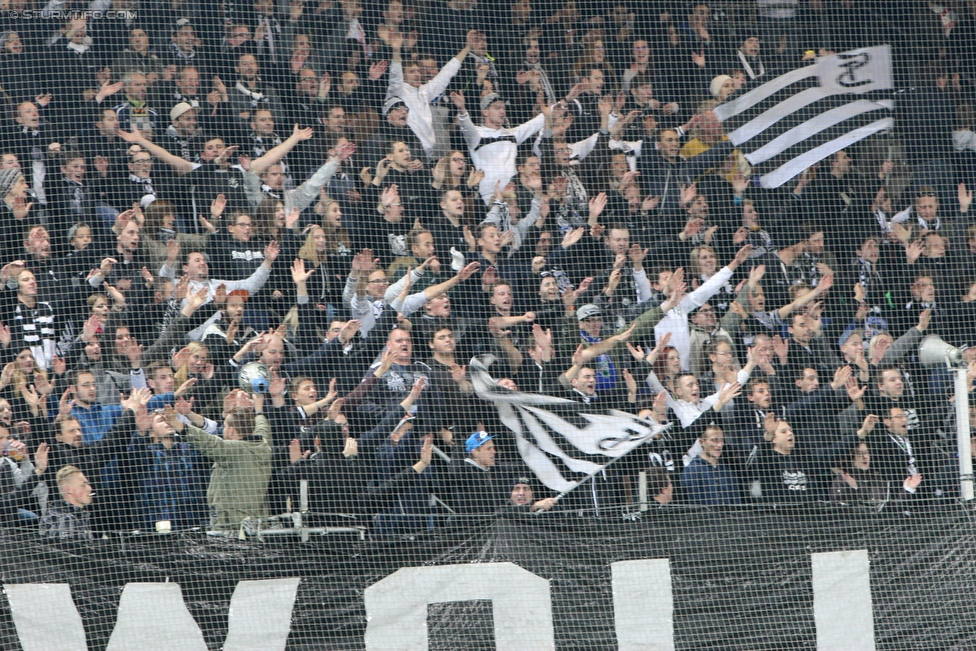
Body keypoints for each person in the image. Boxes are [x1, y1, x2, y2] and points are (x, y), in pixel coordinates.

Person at [163, 392, 272, 532]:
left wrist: (178, 425)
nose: (223, 429)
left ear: (232, 431)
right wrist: (258, 411)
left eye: (225, 426)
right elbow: (263, 428)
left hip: (231, 525)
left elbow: (209, 443)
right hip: (256, 523)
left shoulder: (234, 450)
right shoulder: (263, 444)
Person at [682, 424, 742, 505]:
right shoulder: (691, 472)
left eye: (722, 440)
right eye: (714, 440)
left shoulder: (728, 472)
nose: (719, 445)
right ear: (701, 442)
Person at [40, 462, 93, 541]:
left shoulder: (75, 516)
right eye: (83, 485)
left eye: (88, 484)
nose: (90, 488)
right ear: (68, 489)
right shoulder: (66, 519)